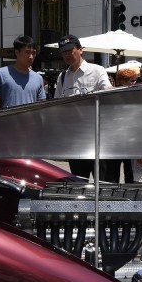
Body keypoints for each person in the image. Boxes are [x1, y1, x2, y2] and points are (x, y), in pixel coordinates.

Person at [54, 34, 112, 178]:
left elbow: (109, 96)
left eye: (70, 50)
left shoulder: (97, 71)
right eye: (63, 52)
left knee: (104, 184)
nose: (66, 54)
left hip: (98, 139)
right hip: (75, 141)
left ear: (80, 50)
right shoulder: (62, 77)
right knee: (79, 184)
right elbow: (56, 105)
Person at [0, 37, 45, 109]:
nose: (31, 57)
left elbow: (41, 106)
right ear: (17, 52)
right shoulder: (1, 74)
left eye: (34, 53)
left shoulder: (38, 78)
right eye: (27, 52)